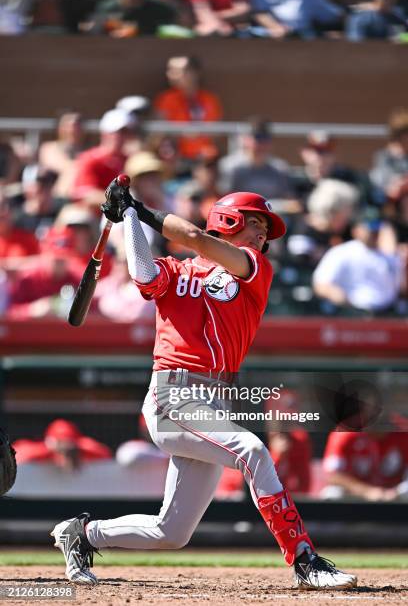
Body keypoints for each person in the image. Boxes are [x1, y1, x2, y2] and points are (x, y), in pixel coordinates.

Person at [51, 184, 357, 590]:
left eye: (264, 228)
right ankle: (305, 560)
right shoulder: (176, 271)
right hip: (173, 395)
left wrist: (137, 209)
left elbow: (195, 238)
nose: (261, 234)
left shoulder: (254, 268)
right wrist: (127, 216)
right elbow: (144, 273)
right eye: (253, 223)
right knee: (253, 450)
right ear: (226, 221)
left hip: (215, 401)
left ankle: (82, 534)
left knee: (171, 532)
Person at [312, 208, 402, 314]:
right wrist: (340, 298)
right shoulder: (342, 252)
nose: (374, 233)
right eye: (370, 229)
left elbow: (400, 288)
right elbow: (321, 284)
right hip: (353, 315)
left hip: (388, 315)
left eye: (376, 230)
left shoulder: (390, 256)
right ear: (356, 230)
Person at [154, 55, 222, 160]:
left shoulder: (209, 99)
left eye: (177, 71)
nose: (171, 74)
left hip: (205, 157)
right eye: (170, 70)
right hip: (175, 158)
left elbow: (216, 130)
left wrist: (197, 133)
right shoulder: (167, 99)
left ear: (194, 73)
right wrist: (183, 133)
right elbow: (160, 131)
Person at [13, 419, 112, 471]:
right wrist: (52, 448)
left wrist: (75, 447)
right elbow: (15, 456)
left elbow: (106, 454)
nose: (66, 452)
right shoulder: (45, 450)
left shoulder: (80, 449)